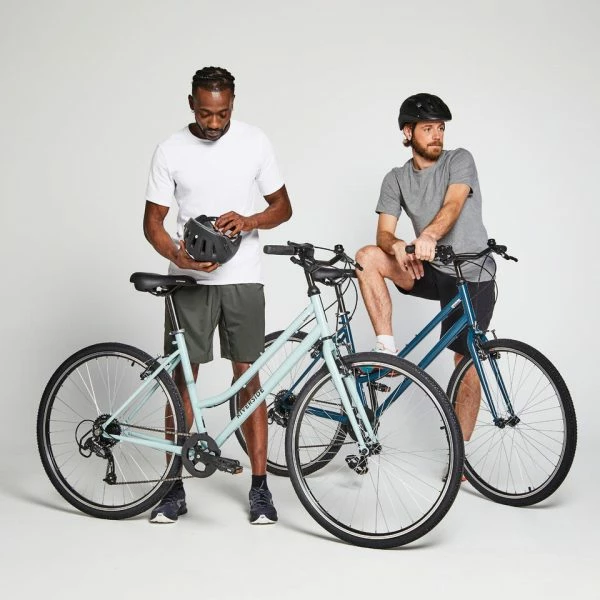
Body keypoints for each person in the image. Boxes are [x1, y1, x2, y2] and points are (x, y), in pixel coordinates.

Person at [143, 66, 292, 524]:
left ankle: (260, 488)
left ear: (232, 104)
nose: (213, 122)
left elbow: (283, 207)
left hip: (243, 279)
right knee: (182, 383)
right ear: (191, 103)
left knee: (249, 379)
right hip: (188, 282)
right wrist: (180, 257)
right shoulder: (170, 150)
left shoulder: (255, 141)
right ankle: (172, 488)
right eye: (205, 113)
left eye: (222, 113)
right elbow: (152, 223)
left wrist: (249, 220)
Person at [355, 93, 495, 447]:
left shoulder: (459, 160)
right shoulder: (396, 179)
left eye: (440, 128)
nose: (437, 135)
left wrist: (429, 235)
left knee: (466, 359)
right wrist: (396, 245)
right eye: (428, 128)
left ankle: (460, 454)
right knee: (367, 256)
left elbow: (453, 204)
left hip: (472, 272)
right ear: (408, 132)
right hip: (431, 270)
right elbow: (384, 233)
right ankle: (386, 351)